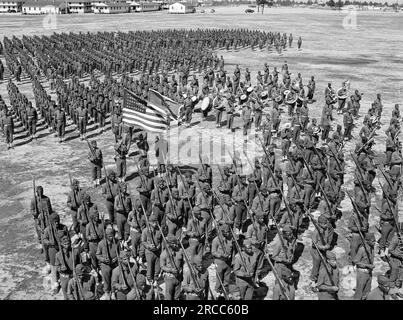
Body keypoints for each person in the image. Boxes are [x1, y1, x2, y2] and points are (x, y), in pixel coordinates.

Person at [96, 225, 119, 300]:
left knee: (114, 279)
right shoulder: (101, 243)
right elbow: (98, 255)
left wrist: (116, 258)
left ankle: (113, 292)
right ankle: (107, 292)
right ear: (106, 236)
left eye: (113, 236)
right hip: (105, 265)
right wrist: (103, 259)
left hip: (114, 264)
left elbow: (120, 253)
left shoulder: (117, 242)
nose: (112, 238)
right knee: (106, 280)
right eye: (109, 236)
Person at [160, 234, 184, 300]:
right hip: (169, 278)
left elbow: (182, 262)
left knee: (177, 296)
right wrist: (170, 270)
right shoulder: (164, 254)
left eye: (176, 243)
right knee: (168, 296)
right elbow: (162, 266)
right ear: (169, 244)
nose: (176, 245)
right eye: (173, 243)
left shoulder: (180, 251)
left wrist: (182, 272)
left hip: (178, 277)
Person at [353, 232, 375, 300]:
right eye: (373, 240)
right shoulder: (362, 249)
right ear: (367, 241)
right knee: (359, 293)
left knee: (367, 292)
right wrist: (367, 265)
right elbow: (355, 261)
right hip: (362, 274)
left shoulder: (372, 248)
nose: (374, 242)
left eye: (374, 240)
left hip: (369, 273)